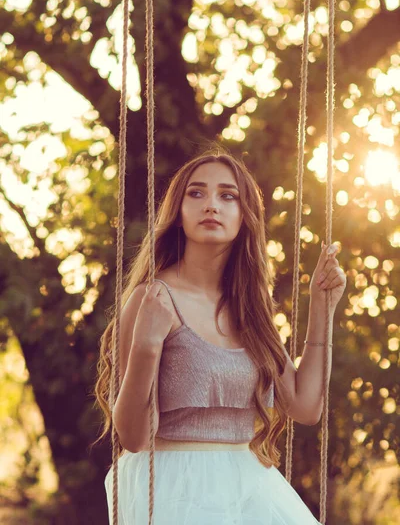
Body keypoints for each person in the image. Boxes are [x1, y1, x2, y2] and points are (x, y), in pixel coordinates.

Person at [93, 147, 346, 524]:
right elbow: (131, 436)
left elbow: (305, 407)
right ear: (178, 213)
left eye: (228, 196)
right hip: (173, 487)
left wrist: (322, 308)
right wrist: (146, 347)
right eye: (196, 193)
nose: (211, 204)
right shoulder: (153, 300)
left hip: (247, 485)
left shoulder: (252, 310)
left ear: (245, 216)